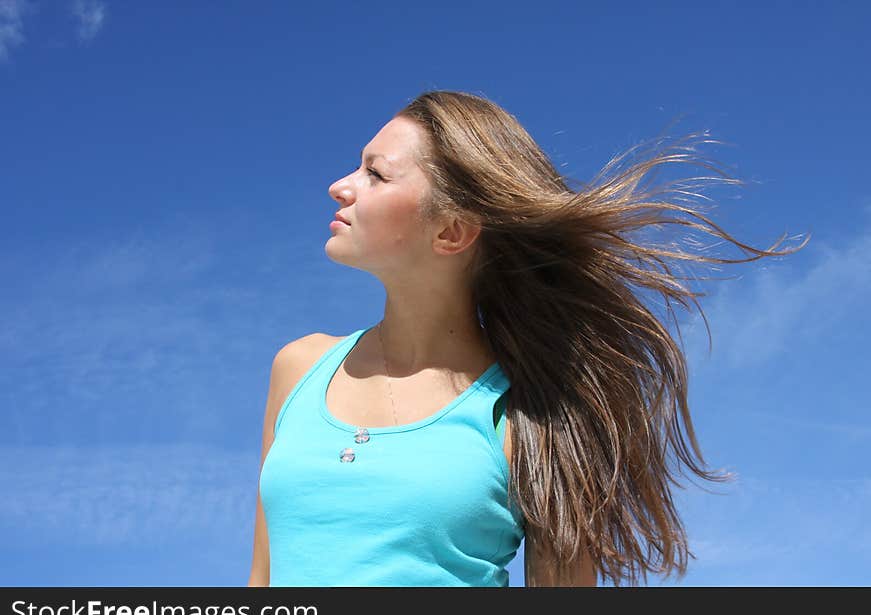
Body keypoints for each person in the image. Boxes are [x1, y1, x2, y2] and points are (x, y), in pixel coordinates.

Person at [248, 90, 808, 587]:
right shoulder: (299, 367)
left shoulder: (535, 413)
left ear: (452, 231)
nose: (340, 186)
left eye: (376, 173)